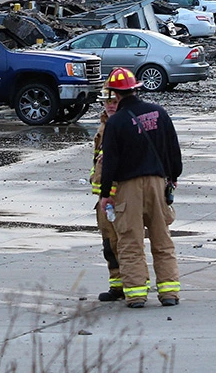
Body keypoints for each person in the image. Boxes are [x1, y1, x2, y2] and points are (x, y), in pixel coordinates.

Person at [98, 67, 182, 308]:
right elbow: (173, 150)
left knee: (130, 241)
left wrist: (105, 195)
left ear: (115, 93)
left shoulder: (116, 123)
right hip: (158, 183)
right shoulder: (159, 113)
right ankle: (169, 293)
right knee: (162, 238)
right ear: (136, 88)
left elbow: (110, 162)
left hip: (128, 188)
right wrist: (173, 177)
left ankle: (135, 295)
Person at [90, 93, 123, 302]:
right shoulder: (104, 126)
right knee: (109, 245)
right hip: (104, 198)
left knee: (126, 244)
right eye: (107, 101)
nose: (110, 106)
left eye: (114, 101)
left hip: (120, 196)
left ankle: (135, 284)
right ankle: (117, 285)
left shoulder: (123, 125)